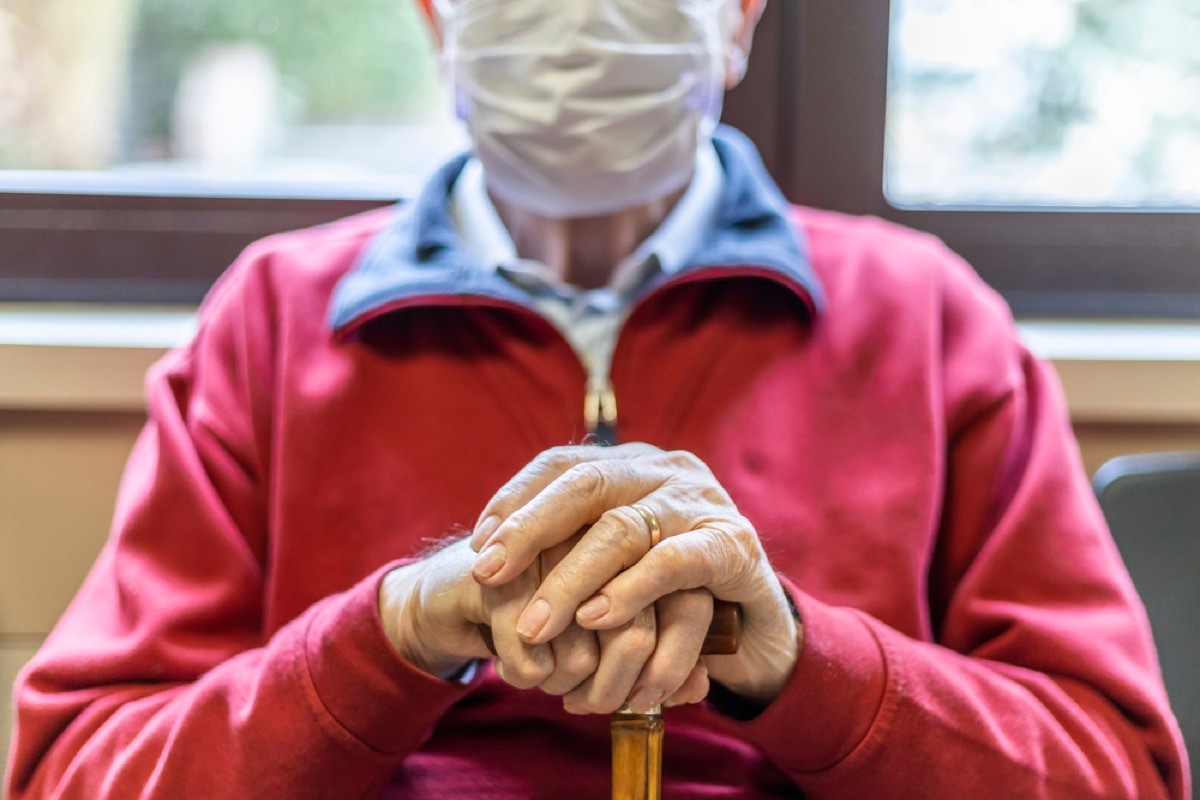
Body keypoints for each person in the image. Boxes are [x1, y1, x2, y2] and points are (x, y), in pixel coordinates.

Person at [5, 0, 1190, 796]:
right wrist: (390, 635)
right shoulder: (271, 320)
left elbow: (1121, 766)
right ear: (436, 18)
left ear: (737, 18)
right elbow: (75, 768)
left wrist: (799, 660)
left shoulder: (931, 322)